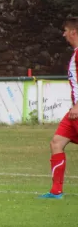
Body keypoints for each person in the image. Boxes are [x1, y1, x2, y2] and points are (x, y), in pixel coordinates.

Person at [40, 17, 78, 199]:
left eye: (65, 30)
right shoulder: (75, 53)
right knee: (56, 142)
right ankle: (56, 192)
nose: (63, 34)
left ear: (74, 32)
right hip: (73, 112)